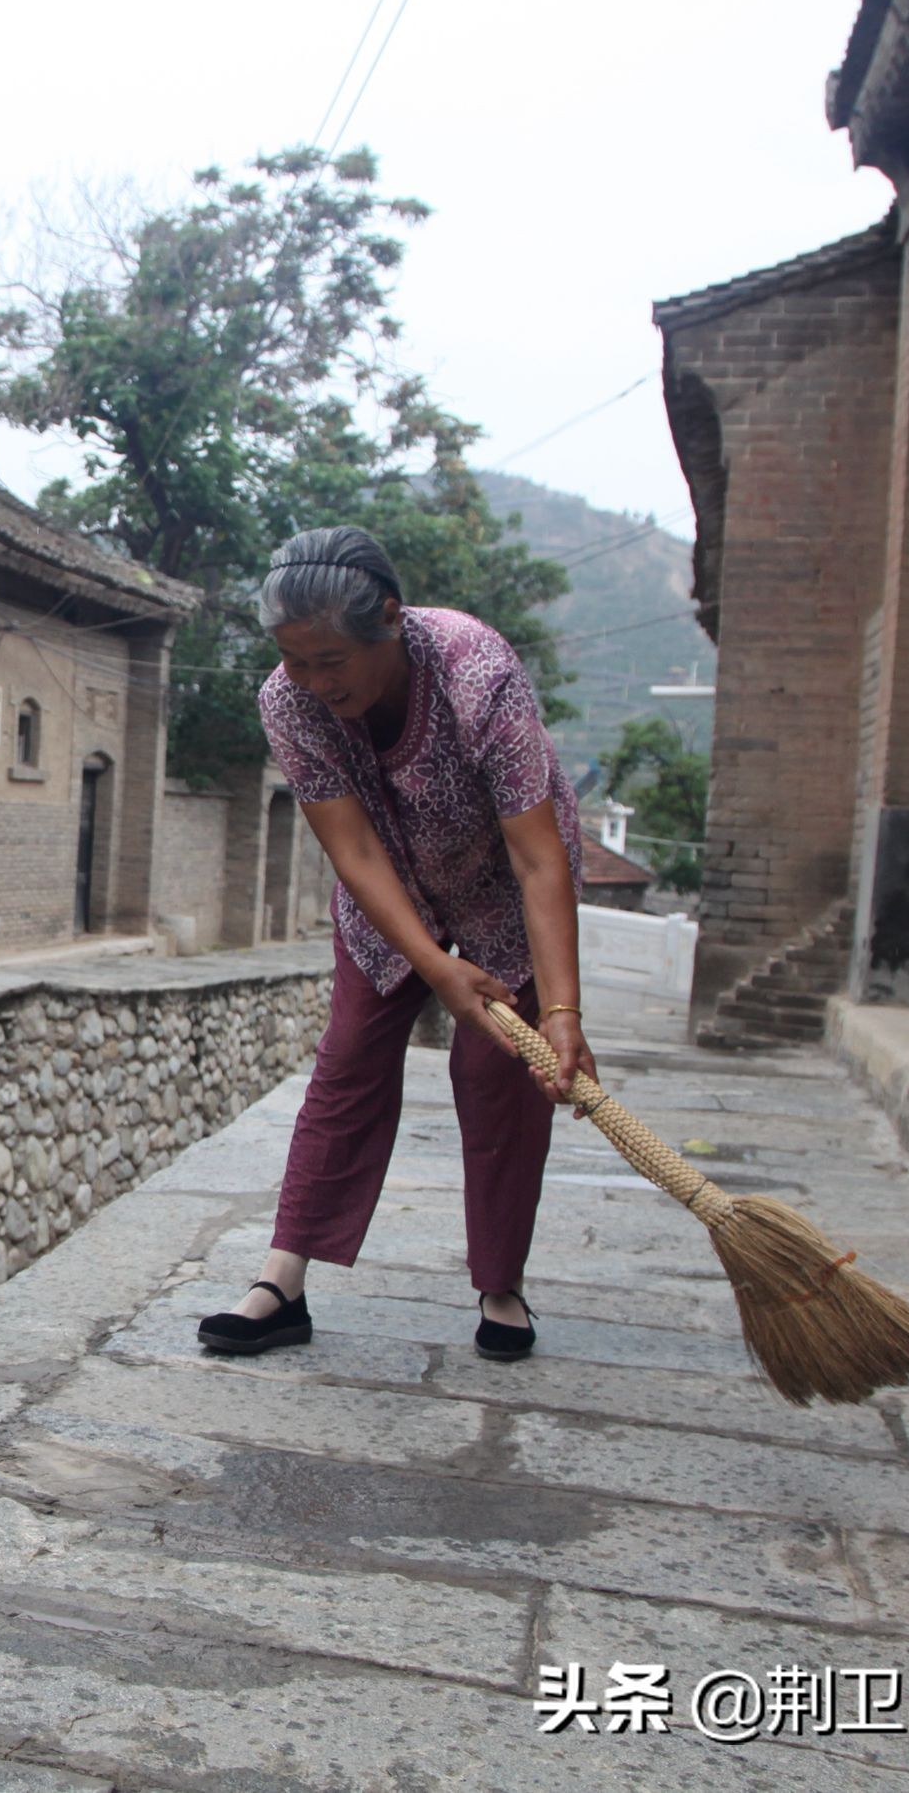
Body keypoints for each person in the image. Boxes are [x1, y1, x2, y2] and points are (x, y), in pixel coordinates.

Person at [196, 525, 592, 1363]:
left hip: (503, 890)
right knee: (346, 1063)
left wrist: (561, 1011)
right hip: (391, 892)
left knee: (500, 1078)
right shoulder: (287, 699)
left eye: (331, 660)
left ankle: (500, 1285)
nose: (311, 679)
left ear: (389, 619)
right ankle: (282, 1281)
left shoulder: (475, 669)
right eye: (294, 659)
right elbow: (355, 849)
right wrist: (434, 965)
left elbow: (536, 852)